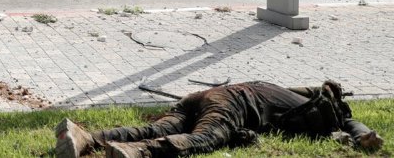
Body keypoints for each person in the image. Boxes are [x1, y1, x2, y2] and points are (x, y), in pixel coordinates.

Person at [55, 80, 383, 157]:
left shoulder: (294, 92)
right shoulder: (329, 108)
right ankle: (138, 152)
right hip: (231, 103)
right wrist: (363, 135)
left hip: (207, 95)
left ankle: (85, 137)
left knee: (161, 125)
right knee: (207, 137)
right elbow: (351, 125)